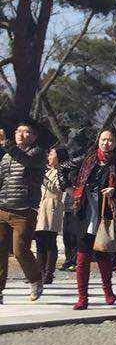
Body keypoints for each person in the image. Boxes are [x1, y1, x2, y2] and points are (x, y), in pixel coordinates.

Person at [71, 128, 116, 310]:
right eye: (103, 139)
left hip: (105, 212)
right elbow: (65, 168)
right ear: (98, 140)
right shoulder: (88, 159)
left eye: (110, 140)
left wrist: (114, 190)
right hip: (85, 211)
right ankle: (82, 298)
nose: (106, 143)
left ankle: (108, 291)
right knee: (82, 258)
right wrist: (72, 188)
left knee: (103, 255)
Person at [0, 120, 47, 303]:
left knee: (20, 249)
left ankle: (35, 280)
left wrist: (7, 145)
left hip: (24, 210)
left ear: (34, 137)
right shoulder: (7, 156)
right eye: (18, 131)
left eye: (26, 131)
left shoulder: (38, 154)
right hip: (3, 208)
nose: (20, 134)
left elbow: (25, 160)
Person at [34, 144, 66, 285]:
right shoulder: (48, 171)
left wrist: (43, 176)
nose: (49, 157)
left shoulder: (62, 171)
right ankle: (39, 273)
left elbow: (57, 188)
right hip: (42, 207)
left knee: (50, 240)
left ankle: (48, 273)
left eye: (51, 154)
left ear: (59, 157)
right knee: (40, 240)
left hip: (53, 207)